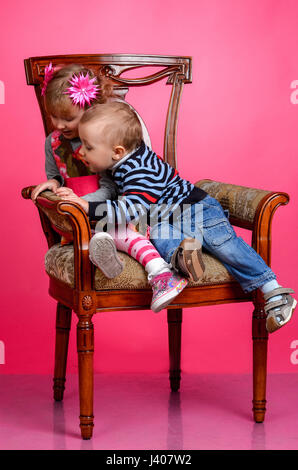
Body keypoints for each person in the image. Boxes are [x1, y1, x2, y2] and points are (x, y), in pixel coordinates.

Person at [56, 100, 296, 333]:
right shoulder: (119, 163)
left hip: (195, 209)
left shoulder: (141, 171)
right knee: (161, 237)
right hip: (166, 218)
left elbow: (128, 210)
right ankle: (185, 260)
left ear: (118, 151)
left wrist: (87, 206)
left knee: (224, 245)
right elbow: (116, 199)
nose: (81, 151)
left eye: (88, 147)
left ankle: (274, 292)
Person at [31, 63, 188, 313]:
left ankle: (156, 270)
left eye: (68, 118)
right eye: (54, 117)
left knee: (121, 232)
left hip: (106, 211)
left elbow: (112, 188)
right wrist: (54, 183)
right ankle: (105, 254)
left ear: (90, 110)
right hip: (75, 218)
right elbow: (55, 174)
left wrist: (84, 203)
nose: (59, 125)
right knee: (102, 235)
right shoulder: (53, 142)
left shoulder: (100, 144)